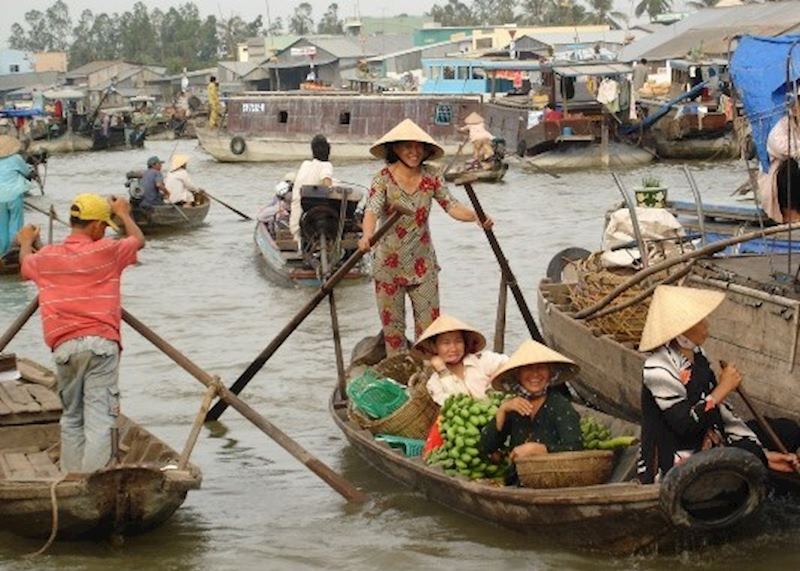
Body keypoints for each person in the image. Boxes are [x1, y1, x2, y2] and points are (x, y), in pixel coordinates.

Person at [17, 193, 145, 473]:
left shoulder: (47, 257)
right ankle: (94, 482)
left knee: (72, 418)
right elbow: (138, 240)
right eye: (105, 226)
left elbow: (26, 264)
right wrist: (123, 213)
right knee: (101, 420)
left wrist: (26, 242)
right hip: (100, 344)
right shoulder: (107, 251)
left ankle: (72, 479)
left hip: (64, 347)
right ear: (97, 226)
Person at [636, 285, 799, 484]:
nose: (707, 324)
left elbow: (721, 412)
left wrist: (763, 455)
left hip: (708, 439)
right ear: (681, 331)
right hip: (675, 458)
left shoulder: (699, 357)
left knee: (787, 431)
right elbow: (685, 425)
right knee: (741, 460)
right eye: (699, 320)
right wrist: (723, 388)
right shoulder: (657, 369)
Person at [357, 119, 493, 355]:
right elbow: (372, 209)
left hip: (423, 265)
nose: (414, 152)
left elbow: (451, 205)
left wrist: (475, 217)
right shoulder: (383, 179)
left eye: (418, 147)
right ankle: (401, 382)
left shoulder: (432, 176)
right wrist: (367, 236)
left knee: (430, 333)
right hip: (388, 267)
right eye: (407, 147)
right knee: (394, 333)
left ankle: (430, 381)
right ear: (395, 149)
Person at [479, 340, 584, 485]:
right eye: (528, 368)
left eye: (541, 368)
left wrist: (540, 449)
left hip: (554, 480)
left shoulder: (560, 405)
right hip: (518, 481)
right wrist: (502, 410)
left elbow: (576, 448)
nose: (535, 374)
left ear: (550, 372)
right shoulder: (515, 407)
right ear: (518, 374)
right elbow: (486, 447)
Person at [414, 314, 508, 406]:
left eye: (458, 341)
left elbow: (510, 363)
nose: (453, 348)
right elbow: (456, 404)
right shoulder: (434, 383)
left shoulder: (482, 359)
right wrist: (443, 371)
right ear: (434, 347)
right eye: (446, 343)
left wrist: (495, 380)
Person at [289, 134, 333, 247]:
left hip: (294, 223)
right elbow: (327, 184)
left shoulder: (305, 164)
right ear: (328, 150)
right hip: (308, 222)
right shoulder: (326, 165)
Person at [0, 135, 33, 256]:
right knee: (16, 221)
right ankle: (13, 250)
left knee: (1, 225)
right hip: (14, 196)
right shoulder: (16, 158)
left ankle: (2, 252)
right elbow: (26, 172)